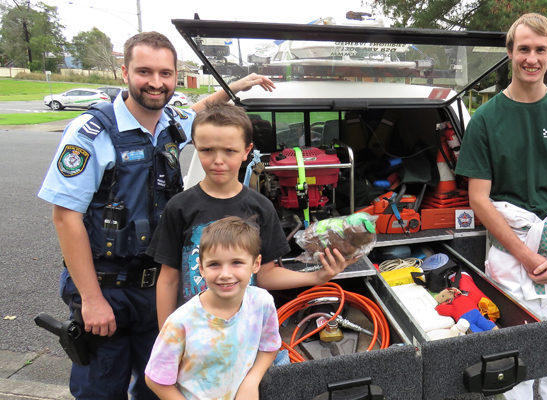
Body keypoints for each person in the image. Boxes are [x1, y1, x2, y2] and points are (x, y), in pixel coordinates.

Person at [37, 31, 275, 399]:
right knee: (101, 390)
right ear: (124, 72)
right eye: (144, 71)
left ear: (176, 76)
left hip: (156, 289)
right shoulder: (90, 134)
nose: (156, 82)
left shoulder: (171, 124)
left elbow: (200, 111)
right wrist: (92, 299)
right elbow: (65, 218)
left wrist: (237, 86)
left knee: (160, 386)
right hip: (107, 290)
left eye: (165, 73)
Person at [455, 13, 547, 400]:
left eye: (540, 50)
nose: (532, 58)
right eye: (524, 49)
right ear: (510, 52)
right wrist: (526, 256)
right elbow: (478, 199)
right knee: (510, 363)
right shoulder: (485, 120)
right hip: (511, 257)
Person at [147, 103, 357, 330]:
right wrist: (166, 337)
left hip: (246, 332)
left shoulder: (261, 207)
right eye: (207, 150)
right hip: (195, 332)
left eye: (229, 151)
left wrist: (316, 277)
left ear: (247, 151)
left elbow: (265, 275)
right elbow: (168, 279)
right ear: (196, 147)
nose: (218, 160)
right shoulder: (179, 207)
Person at [145, 216, 281, 399]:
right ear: (201, 268)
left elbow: (270, 346)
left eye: (237, 262)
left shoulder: (262, 303)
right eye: (214, 264)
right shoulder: (181, 322)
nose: (225, 274)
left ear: (256, 264)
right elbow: (155, 380)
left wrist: (252, 381)